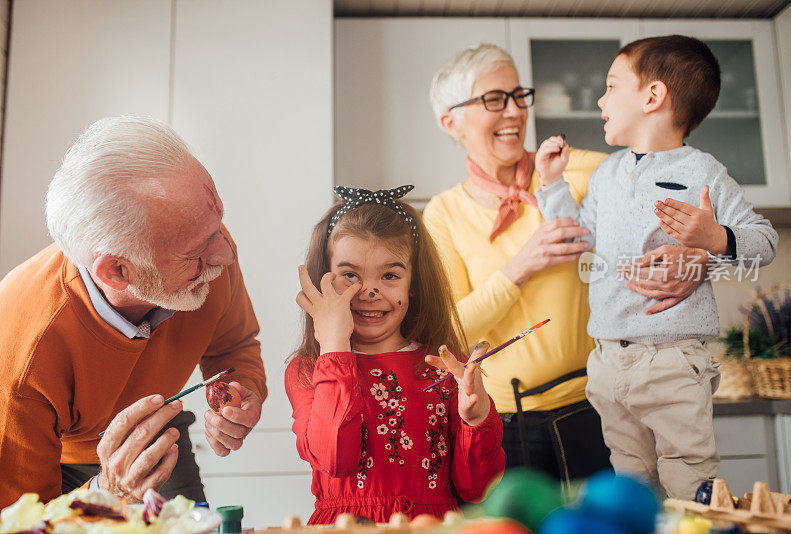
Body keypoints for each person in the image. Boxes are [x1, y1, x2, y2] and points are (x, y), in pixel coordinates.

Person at [424, 43, 715, 483]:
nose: (514, 112)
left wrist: (701, 254)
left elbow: (687, 189)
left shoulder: (578, 171)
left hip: (597, 407)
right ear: (450, 122)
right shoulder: (443, 213)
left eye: (518, 95)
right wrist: (522, 265)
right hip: (503, 421)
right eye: (493, 100)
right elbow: (452, 332)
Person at [534, 35, 779, 499]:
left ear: (653, 96)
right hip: (608, 360)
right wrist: (551, 185)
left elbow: (764, 241)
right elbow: (578, 238)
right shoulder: (606, 173)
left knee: (688, 478)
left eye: (611, 86)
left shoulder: (704, 171)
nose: (600, 99)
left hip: (671, 358)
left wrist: (715, 240)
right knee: (632, 487)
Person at [0, 116, 268, 507]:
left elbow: (234, 346)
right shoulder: (20, 352)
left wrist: (244, 391)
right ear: (117, 271)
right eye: (194, 254)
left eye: (218, 228)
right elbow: (20, 521)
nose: (225, 256)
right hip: (62, 463)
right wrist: (107, 493)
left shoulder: (206, 246)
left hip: (159, 430)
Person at [285, 185, 504, 524]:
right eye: (350, 276)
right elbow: (335, 457)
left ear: (413, 284)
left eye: (389, 275)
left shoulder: (442, 365)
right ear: (323, 281)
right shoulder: (308, 370)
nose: (369, 291)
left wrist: (476, 421)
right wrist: (333, 346)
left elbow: (478, 490)